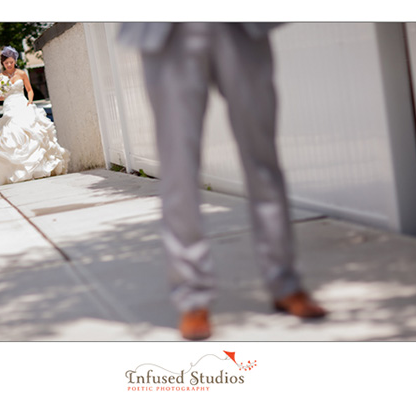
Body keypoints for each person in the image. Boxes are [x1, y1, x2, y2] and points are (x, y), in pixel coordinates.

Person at [119, 23, 327, 341]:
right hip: (166, 27)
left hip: (239, 23)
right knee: (178, 170)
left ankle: (285, 284)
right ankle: (192, 299)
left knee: (262, 159)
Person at [0, 46, 69, 188]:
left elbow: (29, 90)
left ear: (15, 61)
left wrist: (30, 100)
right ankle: (16, 171)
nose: (9, 65)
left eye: (11, 62)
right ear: (3, 64)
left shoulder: (22, 73)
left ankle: (37, 167)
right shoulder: (1, 77)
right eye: (6, 63)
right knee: (11, 134)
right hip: (10, 106)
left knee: (32, 131)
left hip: (22, 104)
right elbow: (0, 97)